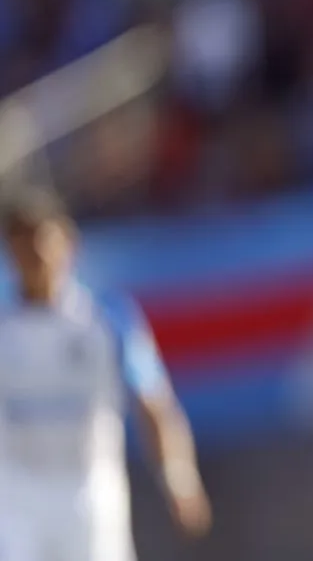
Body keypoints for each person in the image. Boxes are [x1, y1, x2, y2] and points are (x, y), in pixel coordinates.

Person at [0, 187, 211, 561]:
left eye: (40, 239)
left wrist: (179, 478)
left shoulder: (109, 320)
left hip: (89, 495)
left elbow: (154, 403)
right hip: (17, 498)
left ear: (67, 242)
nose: (32, 255)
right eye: (20, 241)